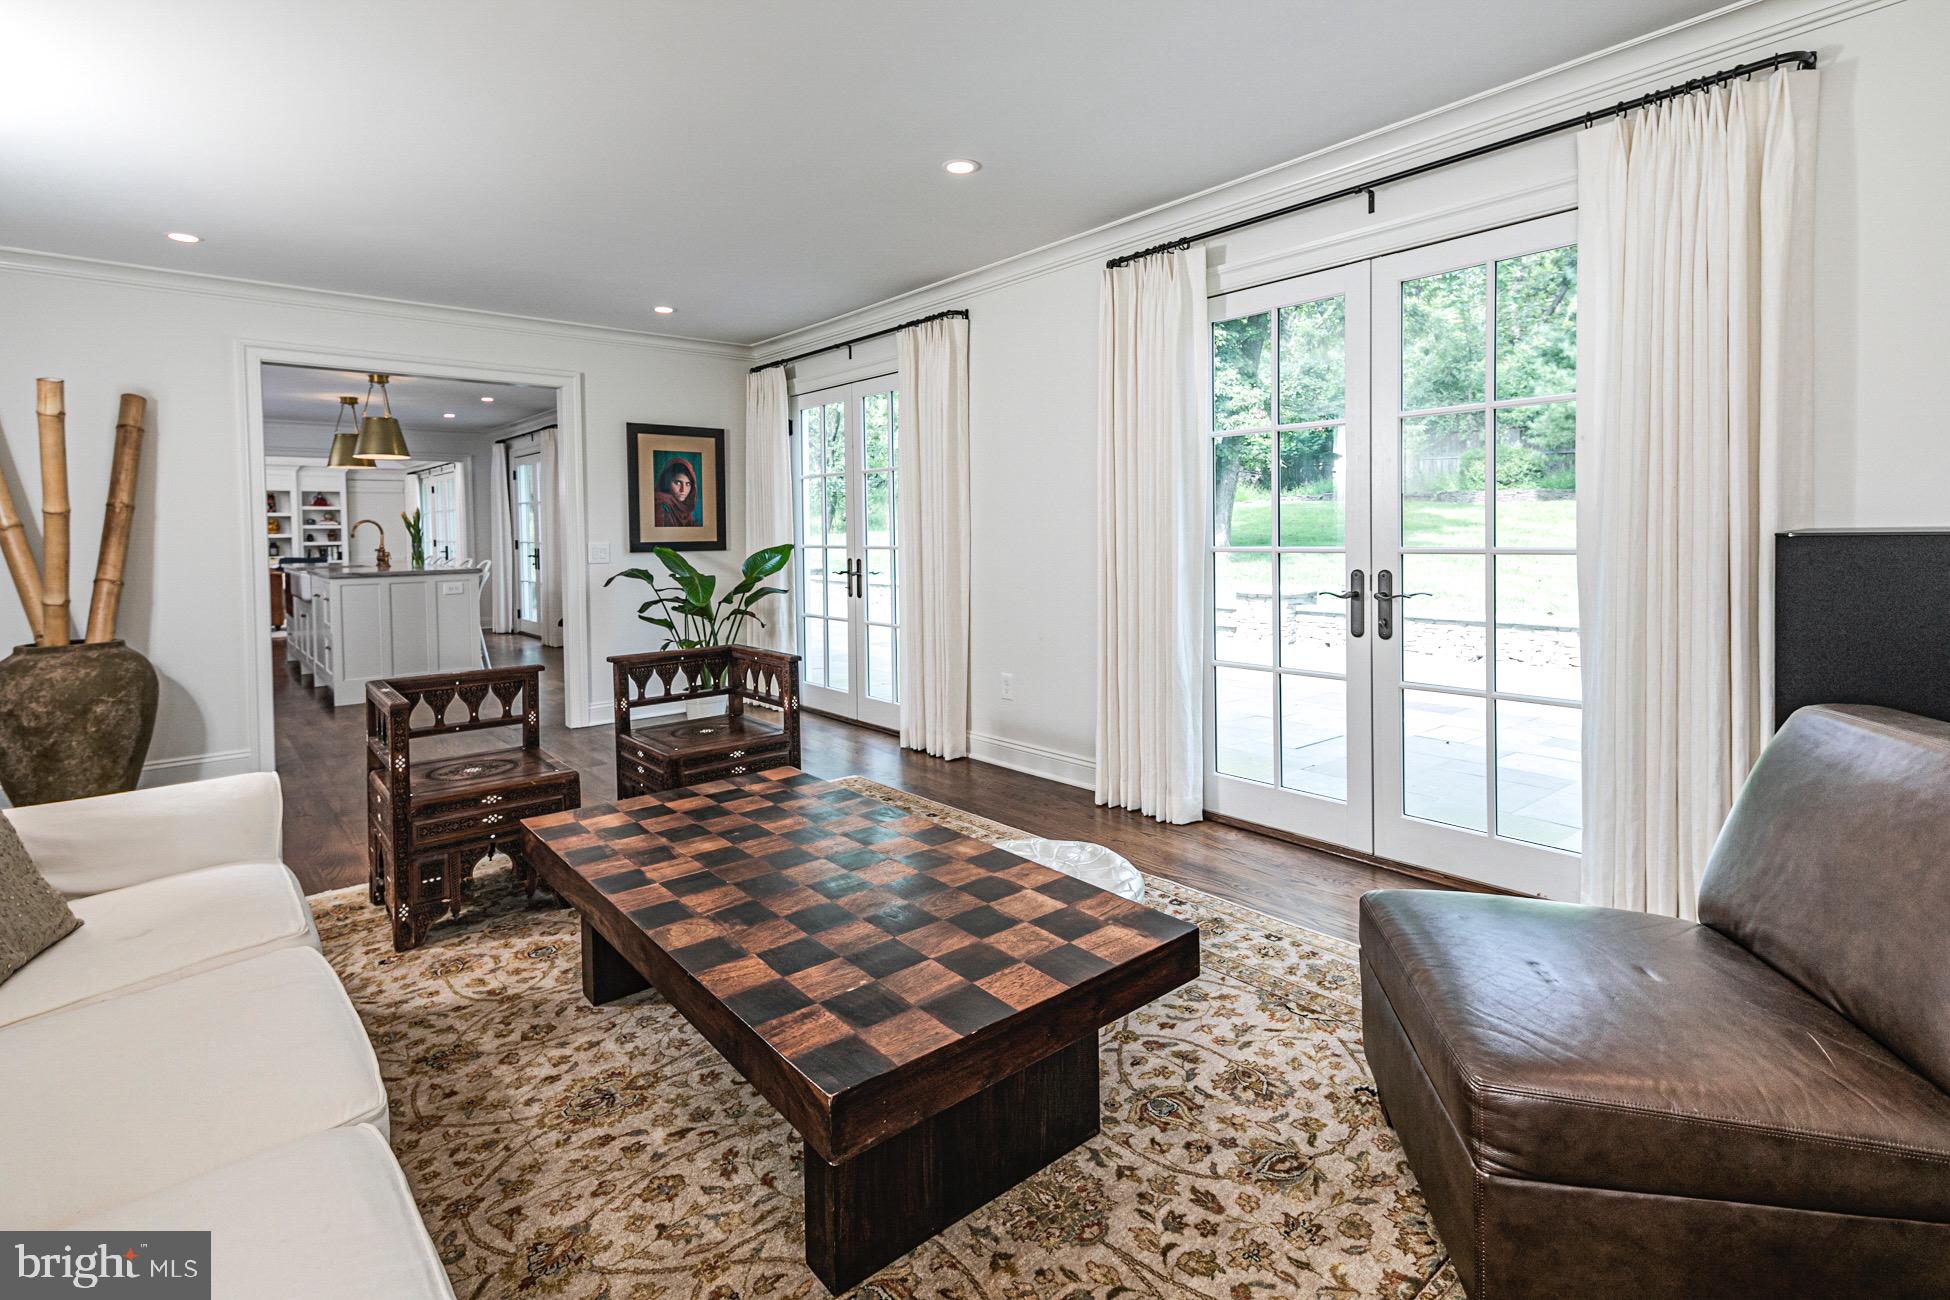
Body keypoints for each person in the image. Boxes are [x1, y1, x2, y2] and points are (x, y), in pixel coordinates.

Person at [654, 456, 698, 528]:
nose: (683, 490)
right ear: (667, 482)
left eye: (688, 484)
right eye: (678, 483)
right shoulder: (660, 506)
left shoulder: (685, 512)